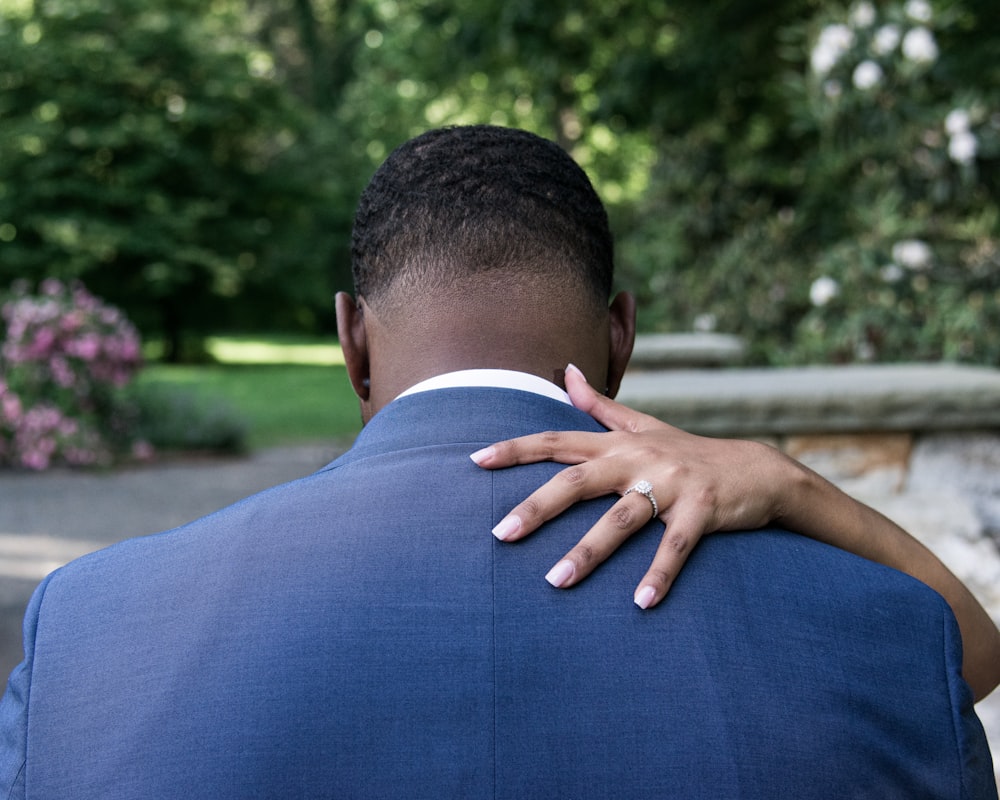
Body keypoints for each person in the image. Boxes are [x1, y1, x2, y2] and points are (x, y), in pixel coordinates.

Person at [0, 124, 995, 798]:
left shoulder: (90, 629)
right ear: (621, 337)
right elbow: (968, 663)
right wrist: (790, 482)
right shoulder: (881, 632)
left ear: (351, 339)